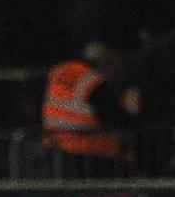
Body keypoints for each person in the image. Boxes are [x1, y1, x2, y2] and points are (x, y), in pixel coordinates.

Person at [41, 39, 141, 177]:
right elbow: (111, 114)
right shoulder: (88, 78)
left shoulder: (60, 72)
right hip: (91, 153)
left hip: (59, 149)